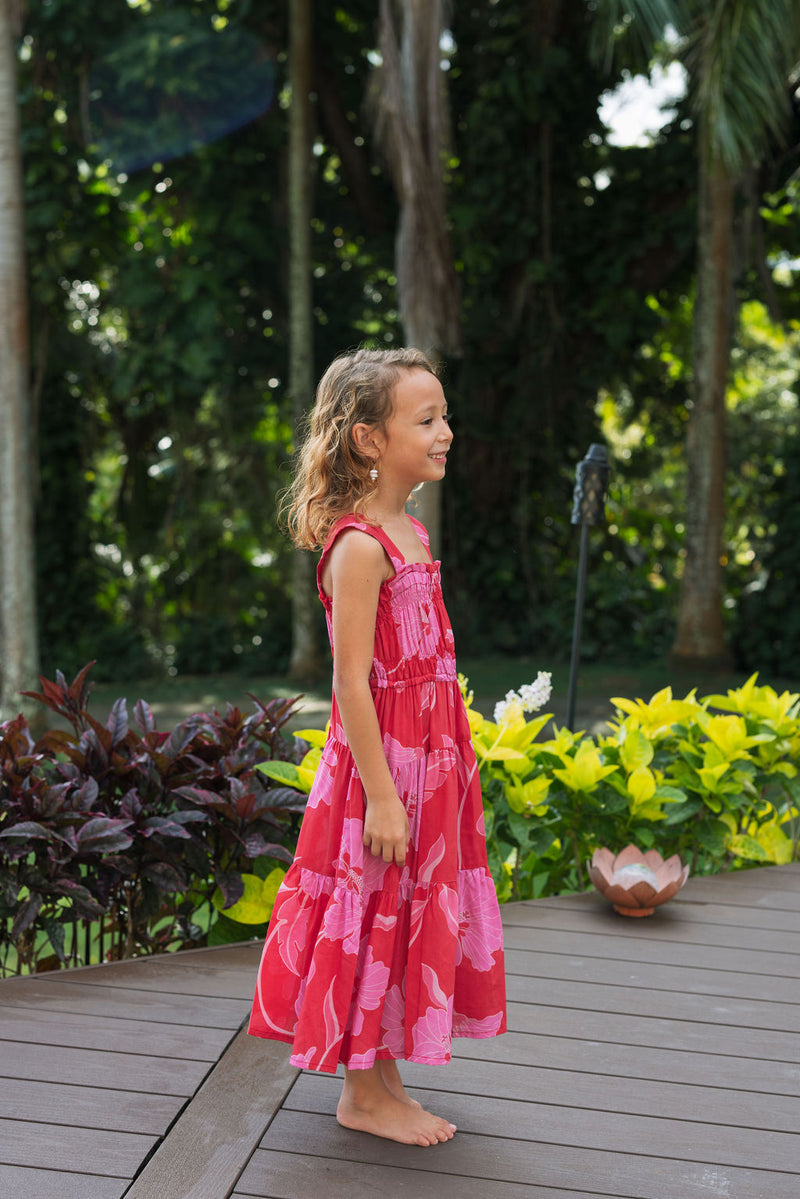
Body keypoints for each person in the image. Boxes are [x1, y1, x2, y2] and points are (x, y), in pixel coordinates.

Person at [248, 347, 507, 1147]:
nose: (446, 433)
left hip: (427, 762)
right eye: (425, 420)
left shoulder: (412, 531)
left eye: (443, 415)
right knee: (371, 906)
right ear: (367, 438)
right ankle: (362, 1093)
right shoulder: (362, 545)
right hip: (380, 770)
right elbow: (353, 684)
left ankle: (383, 1074)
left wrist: (449, 769)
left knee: (402, 908)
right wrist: (387, 795)